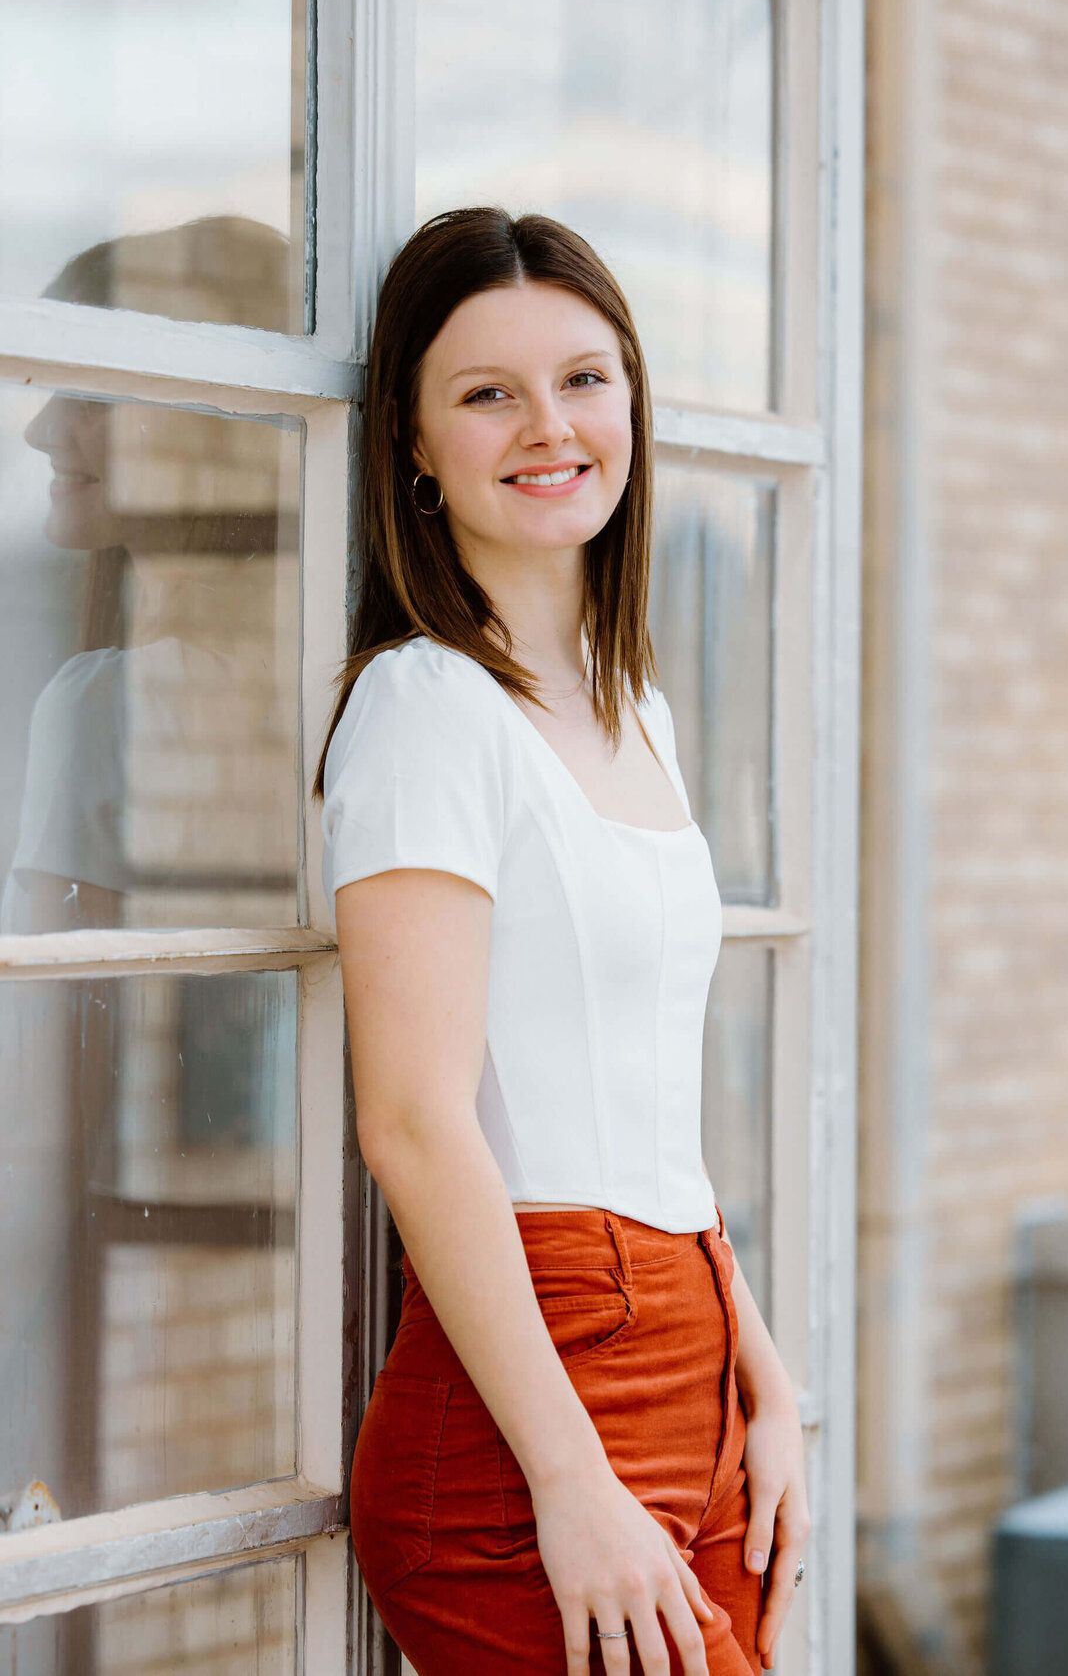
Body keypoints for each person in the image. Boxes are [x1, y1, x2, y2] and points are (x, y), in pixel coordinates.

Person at [314, 206, 810, 1675]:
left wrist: (759, 1374)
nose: (552, 426)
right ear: (414, 441)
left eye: (586, 379)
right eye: (487, 393)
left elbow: (648, 1097)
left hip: (692, 1339)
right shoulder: (424, 708)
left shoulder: (631, 702)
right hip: (531, 1399)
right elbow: (413, 1126)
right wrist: (573, 1481)